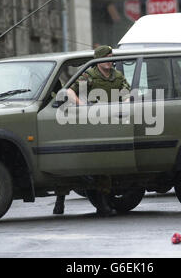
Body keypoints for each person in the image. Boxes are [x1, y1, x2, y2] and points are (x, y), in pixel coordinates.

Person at [55, 45, 131, 217]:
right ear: (100, 59)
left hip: (108, 123)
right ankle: (61, 199)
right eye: (107, 56)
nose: (111, 60)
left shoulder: (117, 77)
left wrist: (126, 103)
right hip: (89, 122)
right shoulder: (89, 76)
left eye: (112, 56)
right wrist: (83, 106)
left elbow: (127, 94)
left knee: (105, 165)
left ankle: (103, 203)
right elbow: (69, 92)